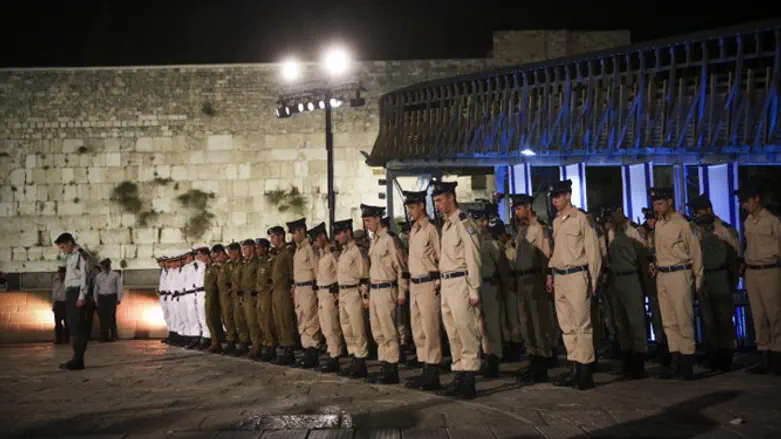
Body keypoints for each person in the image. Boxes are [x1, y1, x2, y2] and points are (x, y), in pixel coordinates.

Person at [547, 180, 602, 390]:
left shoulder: (581, 219)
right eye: (553, 197)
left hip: (577, 275)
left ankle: (586, 371)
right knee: (567, 326)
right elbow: (556, 251)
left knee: (582, 325)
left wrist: (594, 281)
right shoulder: (556, 222)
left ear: (568, 196)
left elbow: (593, 252)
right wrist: (551, 273)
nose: (555, 200)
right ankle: (574, 368)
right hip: (560, 276)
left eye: (558, 196)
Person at [433, 181, 483, 399]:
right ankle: (459, 374)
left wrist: (474, 289)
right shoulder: (446, 225)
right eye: (436, 201)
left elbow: (473, 256)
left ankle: (470, 379)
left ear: (451, 197)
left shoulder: (464, 222)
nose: (438, 205)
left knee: (466, 330)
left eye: (440, 200)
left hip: (461, 282)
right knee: (453, 332)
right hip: (447, 284)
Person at [649, 187, 703, 380]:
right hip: (662, 274)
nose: (658, 207)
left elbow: (695, 252)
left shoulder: (683, 224)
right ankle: (676, 360)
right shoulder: (659, 224)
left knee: (683, 318)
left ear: (670, 202)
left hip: (680, 272)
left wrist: (697, 279)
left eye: (660, 203)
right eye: (655, 204)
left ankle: (688, 363)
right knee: (669, 321)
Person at [688, 194, 740, 372]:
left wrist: (731, 281)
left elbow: (735, 257)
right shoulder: (695, 230)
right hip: (704, 277)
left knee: (724, 318)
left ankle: (726, 356)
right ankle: (714, 354)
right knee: (708, 319)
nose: (696, 215)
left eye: (699, 211)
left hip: (720, 276)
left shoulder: (724, 230)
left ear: (708, 210)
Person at [735, 184, 781, 375]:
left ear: (757, 199)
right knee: (757, 314)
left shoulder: (772, 221)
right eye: (742, 201)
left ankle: (777, 354)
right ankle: (763, 353)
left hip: (769, 269)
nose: (744, 204)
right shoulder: (747, 221)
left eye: (746, 200)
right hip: (751, 270)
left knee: (775, 314)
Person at [363, 204, 409, 384]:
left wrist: (402, 290)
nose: (367, 224)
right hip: (375, 290)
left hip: (387, 288)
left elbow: (401, 266)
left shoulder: (390, 239)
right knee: (378, 331)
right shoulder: (374, 240)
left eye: (369, 220)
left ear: (377, 219)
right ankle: (384, 364)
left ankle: (392, 367)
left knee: (389, 330)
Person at [510, 193, 553, 383]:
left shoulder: (539, 229)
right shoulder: (521, 230)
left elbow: (546, 255)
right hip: (522, 280)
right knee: (526, 323)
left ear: (528, 206)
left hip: (535, 279)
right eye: (515, 209)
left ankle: (542, 364)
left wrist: (547, 279)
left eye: (519, 208)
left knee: (538, 323)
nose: (517, 213)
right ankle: (533, 360)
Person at [602, 206, 649, 379]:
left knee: (635, 320)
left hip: (631, 277)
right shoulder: (611, 233)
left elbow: (643, 258)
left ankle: (639, 362)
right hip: (616, 279)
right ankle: (627, 359)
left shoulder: (634, 232)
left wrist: (645, 283)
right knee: (621, 322)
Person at [403, 190, 444, 391]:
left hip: (429, 282)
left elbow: (440, 256)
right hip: (415, 283)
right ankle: (424, 368)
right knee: (418, 329)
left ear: (421, 206)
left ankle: (433, 371)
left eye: (412, 207)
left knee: (430, 328)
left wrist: (438, 282)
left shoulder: (431, 229)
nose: (410, 212)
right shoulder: (415, 230)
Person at [473, 207, 509, 378]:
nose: (481, 224)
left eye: (482, 221)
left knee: (492, 325)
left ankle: (494, 359)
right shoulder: (472, 240)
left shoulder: (492, 242)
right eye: (478, 221)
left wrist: (506, 286)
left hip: (490, 285)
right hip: (476, 285)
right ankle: (485, 356)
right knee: (479, 325)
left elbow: (502, 267)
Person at [334, 219, 371, 379]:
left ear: (348, 232)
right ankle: (354, 356)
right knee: (347, 328)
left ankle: (361, 360)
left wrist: (365, 297)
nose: (337, 238)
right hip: (343, 293)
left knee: (358, 328)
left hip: (353, 292)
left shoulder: (357, 251)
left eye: (339, 234)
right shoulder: (344, 252)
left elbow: (364, 275)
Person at [54, 232, 93, 370]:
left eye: (63, 246)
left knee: (78, 326)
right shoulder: (71, 257)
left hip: (77, 293)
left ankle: (78, 360)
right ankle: (75, 358)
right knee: (73, 326)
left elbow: (85, 277)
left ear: (70, 243)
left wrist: (82, 296)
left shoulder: (81, 256)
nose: (62, 250)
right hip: (71, 293)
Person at [310, 222, 344, 373]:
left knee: (332, 326)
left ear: (323, 237)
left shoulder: (333, 253)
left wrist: (337, 294)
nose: (315, 243)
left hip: (331, 293)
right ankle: (331, 352)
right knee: (324, 326)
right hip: (322, 293)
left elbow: (340, 272)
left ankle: (335, 356)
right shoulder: (322, 253)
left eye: (316, 239)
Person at [289, 217, 322, 369]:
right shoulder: (298, 249)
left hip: (309, 287)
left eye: (295, 232)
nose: (293, 236)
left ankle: (312, 350)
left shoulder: (309, 248)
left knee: (310, 319)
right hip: (299, 288)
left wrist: (317, 289)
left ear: (302, 231)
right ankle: (306, 348)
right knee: (301, 319)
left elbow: (316, 268)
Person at [268, 225, 298, 365]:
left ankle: (289, 349)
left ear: (281, 236)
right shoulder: (277, 253)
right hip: (276, 290)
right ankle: (283, 346)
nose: (272, 239)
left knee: (285, 319)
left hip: (284, 290)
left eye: (273, 236)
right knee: (278, 320)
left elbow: (292, 272)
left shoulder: (287, 252)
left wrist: (292, 289)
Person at [238, 239, 262, 359]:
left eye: (246, 248)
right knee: (249, 322)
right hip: (246, 296)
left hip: (253, 296)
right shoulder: (246, 263)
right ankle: (254, 343)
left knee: (255, 322)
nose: (243, 251)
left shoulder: (256, 262)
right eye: (242, 249)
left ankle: (257, 345)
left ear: (252, 248)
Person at [255, 238, 278, 362]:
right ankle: (266, 342)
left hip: (267, 294)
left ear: (265, 248)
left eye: (259, 247)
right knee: (261, 320)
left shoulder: (270, 261)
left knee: (268, 320)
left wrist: (269, 289)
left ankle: (271, 346)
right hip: (260, 293)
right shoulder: (261, 262)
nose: (257, 250)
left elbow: (272, 279)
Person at [228, 242, 251, 356]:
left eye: (231, 252)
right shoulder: (233, 264)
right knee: (238, 320)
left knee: (244, 320)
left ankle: (246, 342)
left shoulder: (243, 264)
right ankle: (242, 341)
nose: (229, 255)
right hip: (235, 296)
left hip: (242, 296)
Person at [93, 258, 123, 342]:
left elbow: (119, 287)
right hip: (102, 297)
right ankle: (104, 336)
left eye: (107, 266)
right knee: (102, 317)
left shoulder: (115, 275)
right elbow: (96, 288)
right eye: (104, 266)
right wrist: (96, 299)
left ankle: (113, 335)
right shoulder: (99, 276)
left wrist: (119, 298)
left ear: (109, 266)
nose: (106, 268)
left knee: (111, 316)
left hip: (111, 297)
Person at [203, 246, 224, 353]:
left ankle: (217, 342)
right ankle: (214, 341)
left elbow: (219, 280)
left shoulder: (215, 267)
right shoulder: (209, 267)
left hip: (214, 294)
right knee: (209, 318)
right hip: (208, 293)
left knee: (213, 318)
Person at [193, 246, 214, 350]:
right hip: (198, 292)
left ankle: (208, 337)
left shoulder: (209, 265)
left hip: (205, 291)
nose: (198, 257)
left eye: (200, 255)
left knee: (207, 316)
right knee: (201, 316)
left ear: (206, 255)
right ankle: (205, 336)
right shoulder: (200, 265)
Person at [52, 266, 69, 345]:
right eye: (60, 273)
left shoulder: (68, 281)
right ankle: (59, 339)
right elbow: (54, 293)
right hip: (58, 304)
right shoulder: (56, 281)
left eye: (62, 273)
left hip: (66, 303)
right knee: (58, 323)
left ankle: (67, 338)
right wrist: (53, 305)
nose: (61, 275)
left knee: (67, 322)